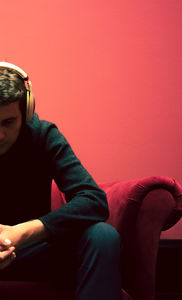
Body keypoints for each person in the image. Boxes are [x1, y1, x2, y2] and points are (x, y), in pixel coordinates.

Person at [0, 62, 121, 299]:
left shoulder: (42, 135)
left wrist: (24, 232)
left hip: (31, 252)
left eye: (8, 122)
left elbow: (93, 200)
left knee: (102, 235)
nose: (0, 135)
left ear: (26, 111)